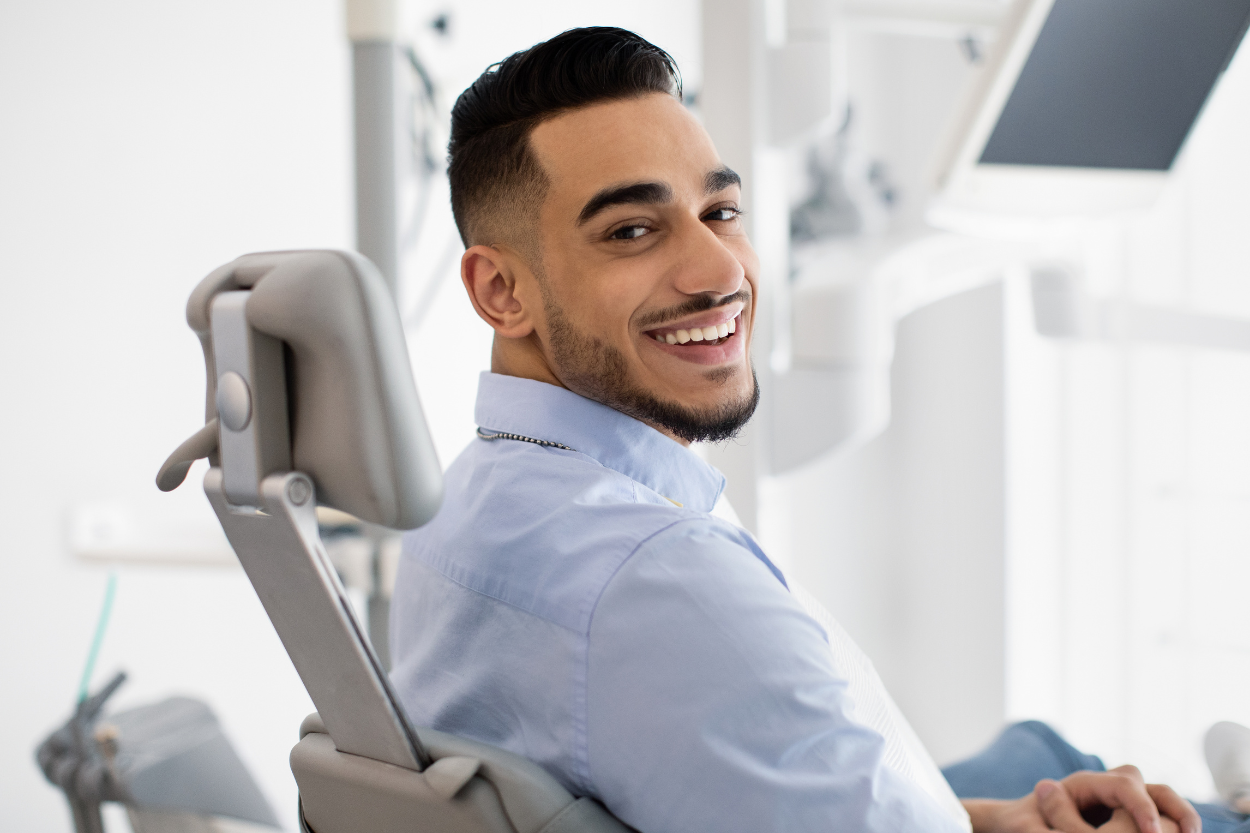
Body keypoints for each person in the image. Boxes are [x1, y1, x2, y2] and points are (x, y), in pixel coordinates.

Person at [388, 26, 1238, 833]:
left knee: (1040, 756)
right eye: (632, 230)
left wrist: (989, 820)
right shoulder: (658, 579)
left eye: (719, 211)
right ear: (501, 291)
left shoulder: (459, 507)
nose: (721, 271)